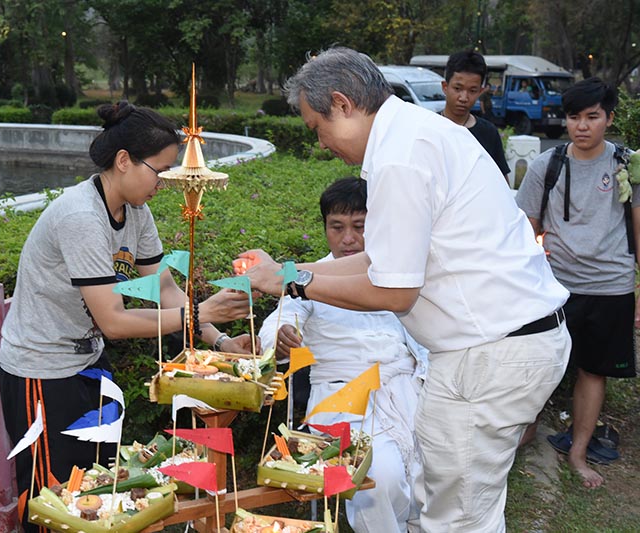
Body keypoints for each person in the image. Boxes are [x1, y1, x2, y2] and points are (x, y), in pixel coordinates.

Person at [237, 47, 571, 532]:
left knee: (457, 521)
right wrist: (286, 271)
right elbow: (382, 260)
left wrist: (294, 282)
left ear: (342, 104)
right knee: (448, 505)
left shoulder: (401, 157)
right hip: (501, 346)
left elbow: (394, 293)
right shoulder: (415, 135)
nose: (321, 144)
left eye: (317, 127)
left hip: (490, 353)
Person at [0, 101, 252, 531]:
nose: (164, 182)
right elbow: (113, 322)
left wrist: (221, 341)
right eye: (160, 170)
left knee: (98, 492)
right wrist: (196, 314)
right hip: (40, 371)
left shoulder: (136, 211)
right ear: (123, 161)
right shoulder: (81, 216)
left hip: (87, 362)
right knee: (52, 502)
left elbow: (165, 289)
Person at [258, 177, 428, 533]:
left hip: (407, 391)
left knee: (435, 474)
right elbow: (282, 318)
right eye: (337, 227)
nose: (348, 238)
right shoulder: (306, 279)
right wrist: (281, 336)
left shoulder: (399, 274)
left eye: (359, 227)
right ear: (325, 229)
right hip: (341, 402)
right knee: (379, 476)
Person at [515, 77, 638, 489]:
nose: (582, 126)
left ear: (609, 118)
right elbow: (526, 228)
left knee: (593, 370)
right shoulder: (545, 165)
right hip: (556, 286)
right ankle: (526, 430)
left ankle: (579, 452)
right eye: (573, 117)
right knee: (539, 362)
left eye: (592, 116)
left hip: (611, 285)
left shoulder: (627, 166)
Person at [441, 50, 510, 182]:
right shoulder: (429, 128)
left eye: (472, 91)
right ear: (445, 87)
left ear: (480, 91)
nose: (463, 98)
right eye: (457, 89)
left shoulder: (488, 133)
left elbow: (501, 183)